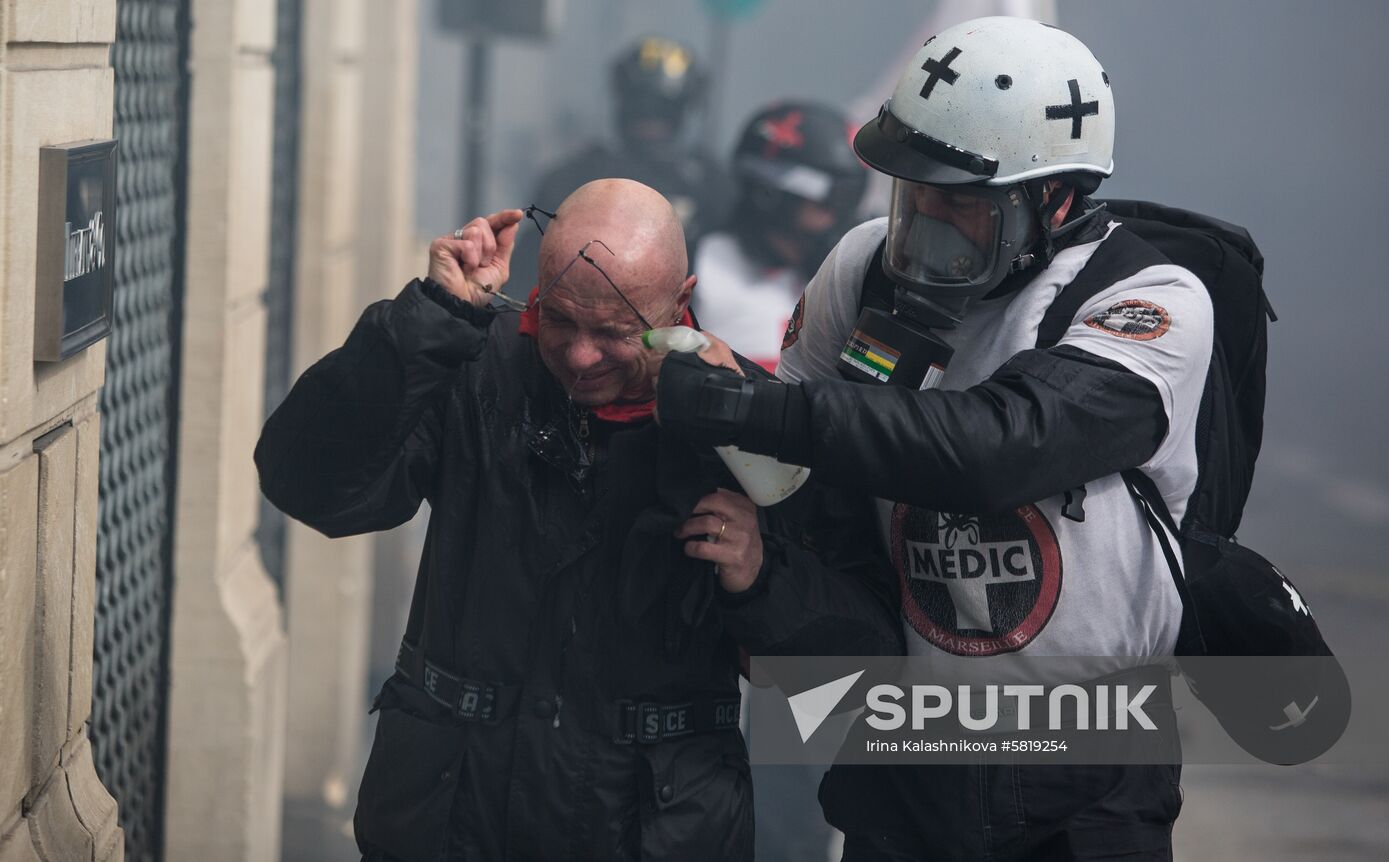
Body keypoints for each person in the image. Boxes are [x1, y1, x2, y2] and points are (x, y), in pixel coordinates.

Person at [655, 17, 1210, 861]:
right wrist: (712, 385)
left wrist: (757, 411)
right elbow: (802, 476)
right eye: (914, 191)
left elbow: (1003, 447)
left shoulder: (1148, 301)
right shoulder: (862, 267)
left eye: (961, 202)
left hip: (1088, 756)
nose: (926, 219)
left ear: (1053, 199)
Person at [255, 178, 900, 861]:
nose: (580, 354)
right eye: (559, 318)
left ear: (680, 303)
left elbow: (857, 677)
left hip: (651, 828)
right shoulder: (471, 359)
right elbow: (313, 487)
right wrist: (431, 319)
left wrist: (763, 575)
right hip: (449, 813)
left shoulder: (749, 422)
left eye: (615, 332)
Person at [512, 36, 730, 296]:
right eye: (642, 106)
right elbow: (531, 265)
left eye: (663, 110)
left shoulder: (709, 185)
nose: (651, 120)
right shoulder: (573, 178)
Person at [692, 101, 868, 372]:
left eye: (848, 200)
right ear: (768, 192)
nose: (835, 217)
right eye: (827, 201)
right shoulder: (699, 266)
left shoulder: (855, 281)